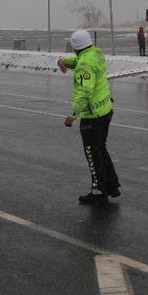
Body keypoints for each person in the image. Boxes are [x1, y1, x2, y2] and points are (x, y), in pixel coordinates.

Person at [57, 30, 120, 205]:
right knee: (101, 148)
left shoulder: (85, 65)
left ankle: (99, 191)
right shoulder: (95, 53)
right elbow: (79, 60)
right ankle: (112, 185)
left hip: (92, 117)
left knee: (93, 154)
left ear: (75, 47)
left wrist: (72, 115)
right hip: (106, 110)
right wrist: (63, 61)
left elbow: (84, 92)